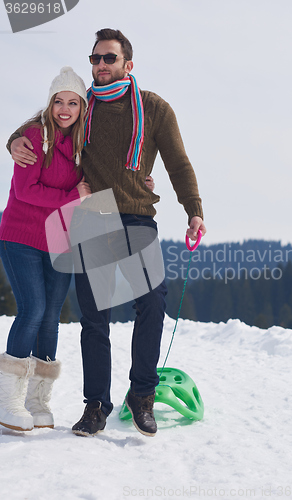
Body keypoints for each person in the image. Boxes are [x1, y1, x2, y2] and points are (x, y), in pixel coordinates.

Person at [8, 28, 206, 438]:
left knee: (152, 303)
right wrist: (13, 140)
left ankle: (142, 395)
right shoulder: (84, 108)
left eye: (109, 58)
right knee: (94, 316)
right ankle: (95, 404)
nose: (100, 65)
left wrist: (194, 210)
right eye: (95, 58)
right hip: (94, 215)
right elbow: (49, 123)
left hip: (136, 215)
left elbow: (178, 164)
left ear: (127, 65)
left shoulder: (154, 109)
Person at [0, 66, 92, 432]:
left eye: (73, 102)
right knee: (33, 309)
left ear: (83, 107)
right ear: (50, 103)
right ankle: (8, 401)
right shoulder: (33, 136)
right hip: (21, 235)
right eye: (59, 101)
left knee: (52, 315)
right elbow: (26, 191)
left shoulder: (85, 143)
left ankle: (36, 401)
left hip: (60, 239)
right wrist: (72, 196)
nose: (65, 109)